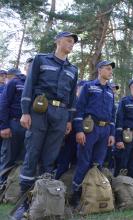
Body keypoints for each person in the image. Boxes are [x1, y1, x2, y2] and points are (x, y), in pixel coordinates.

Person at [19, 31, 79, 193]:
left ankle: (43, 195)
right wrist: (25, 112)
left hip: (60, 113)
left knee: (51, 155)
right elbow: (29, 85)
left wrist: (69, 120)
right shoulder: (41, 59)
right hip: (40, 110)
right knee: (33, 150)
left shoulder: (73, 69)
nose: (71, 44)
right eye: (68, 40)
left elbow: (72, 97)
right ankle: (24, 197)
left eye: (73, 42)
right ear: (58, 41)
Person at [70, 60, 116, 207]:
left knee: (98, 164)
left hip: (105, 130)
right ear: (99, 70)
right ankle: (75, 196)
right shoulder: (89, 87)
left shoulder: (110, 91)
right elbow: (80, 109)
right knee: (84, 162)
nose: (110, 72)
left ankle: (93, 196)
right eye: (108, 69)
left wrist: (112, 134)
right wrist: (79, 130)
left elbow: (113, 114)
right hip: (90, 129)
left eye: (111, 70)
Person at [55, 80, 87, 179]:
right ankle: (56, 182)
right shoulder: (71, 100)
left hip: (80, 138)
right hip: (67, 137)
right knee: (63, 163)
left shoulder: (87, 103)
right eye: (83, 88)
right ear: (78, 88)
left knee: (75, 165)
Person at [0, 68, 27, 184]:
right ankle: (1, 185)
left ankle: (11, 189)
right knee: (8, 158)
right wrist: (4, 126)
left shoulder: (36, 84)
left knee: (21, 159)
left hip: (28, 127)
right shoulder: (15, 82)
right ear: (26, 68)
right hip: (13, 124)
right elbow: (4, 103)